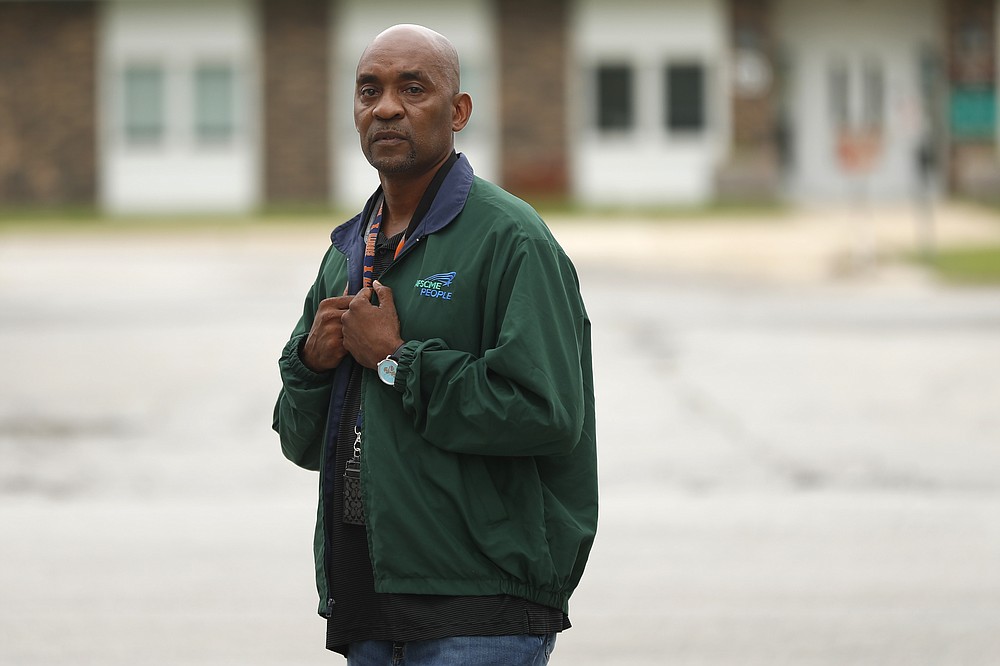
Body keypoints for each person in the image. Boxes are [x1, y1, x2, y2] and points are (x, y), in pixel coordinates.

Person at [272, 24, 597, 665]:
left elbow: (546, 414)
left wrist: (396, 362)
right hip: (365, 603)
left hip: (479, 609)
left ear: (458, 111)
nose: (386, 107)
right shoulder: (346, 254)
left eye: (411, 88)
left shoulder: (511, 239)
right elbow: (300, 441)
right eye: (369, 91)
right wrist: (312, 365)